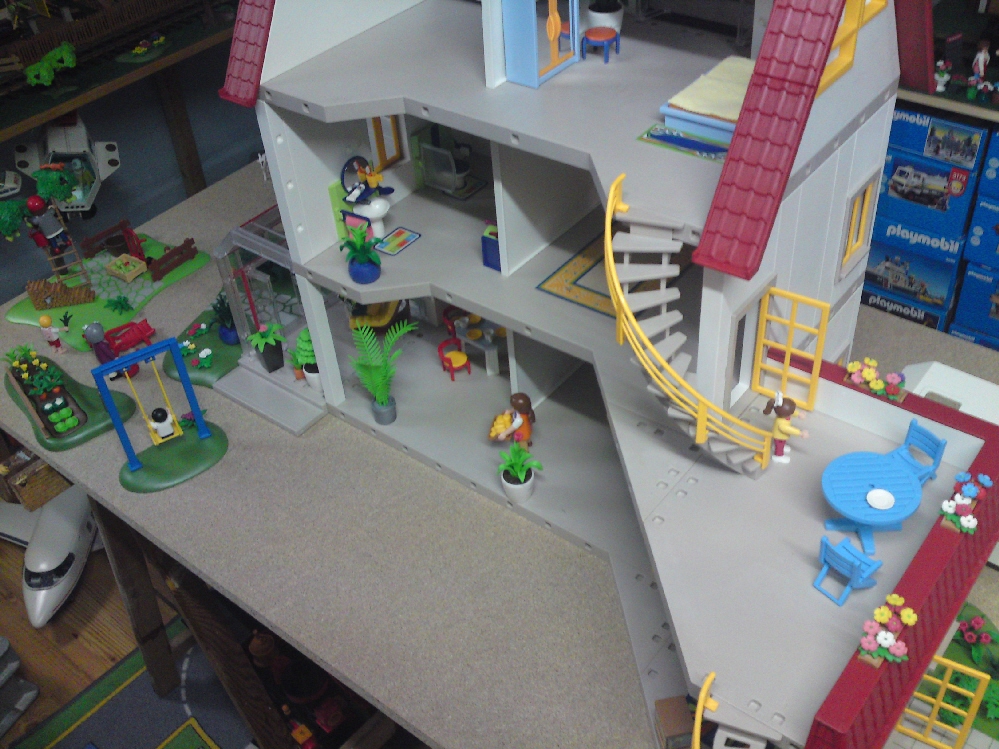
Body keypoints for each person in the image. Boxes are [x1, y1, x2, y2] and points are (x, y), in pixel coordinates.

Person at [763, 391, 808, 464]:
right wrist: (800, 433)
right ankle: (778, 456)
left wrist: (799, 414)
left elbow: (792, 412)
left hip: (781, 436)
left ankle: (778, 447)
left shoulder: (783, 414)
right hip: (779, 437)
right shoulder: (781, 423)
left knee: (780, 445)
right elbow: (789, 429)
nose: (792, 412)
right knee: (779, 446)